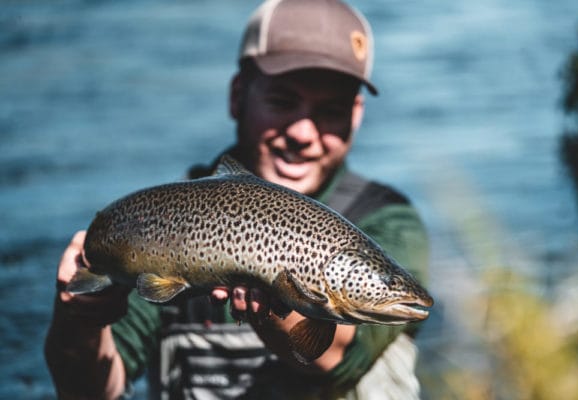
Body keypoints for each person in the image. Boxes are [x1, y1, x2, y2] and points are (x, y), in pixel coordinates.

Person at [44, 0, 429, 399]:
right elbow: (89, 392)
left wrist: (275, 312)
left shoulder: (387, 220)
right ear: (237, 95)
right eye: (282, 101)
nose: (302, 132)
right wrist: (79, 318)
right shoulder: (167, 224)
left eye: (329, 111)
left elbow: (337, 364)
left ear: (357, 114)